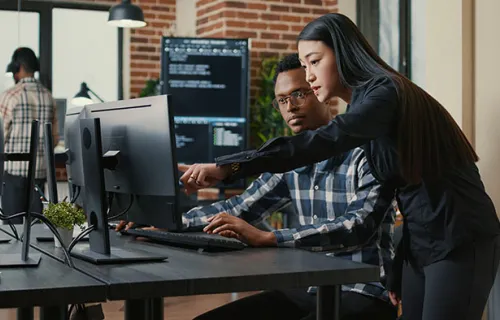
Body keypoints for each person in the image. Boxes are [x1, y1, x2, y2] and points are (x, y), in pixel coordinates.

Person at [180, 13, 500, 320]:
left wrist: (229, 167)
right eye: (305, 65)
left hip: (460, 237)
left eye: (315, 61)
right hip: (421, 242)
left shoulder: (384, 93)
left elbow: (325, 141)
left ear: (344, 53)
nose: (309, 75)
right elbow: (403, 195)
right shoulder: (369, 109)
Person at [118, 54, 397, 320]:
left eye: (299, 94)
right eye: (282, 100)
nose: (291, 106)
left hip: (364, 290)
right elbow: (238, 208)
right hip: (309, 287)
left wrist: (270, 237)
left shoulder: (366, 151)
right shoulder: (290, 160)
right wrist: (163, 224)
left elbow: (358, 225)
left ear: (320, 92)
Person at [0, 47, 58, 223]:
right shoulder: (49, 97)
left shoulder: (9, 96)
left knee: (12, 234)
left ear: (18, 68)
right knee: (37, 234)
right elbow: (54, 140)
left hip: (13, 175)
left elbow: (1, 138)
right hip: (38, 176)